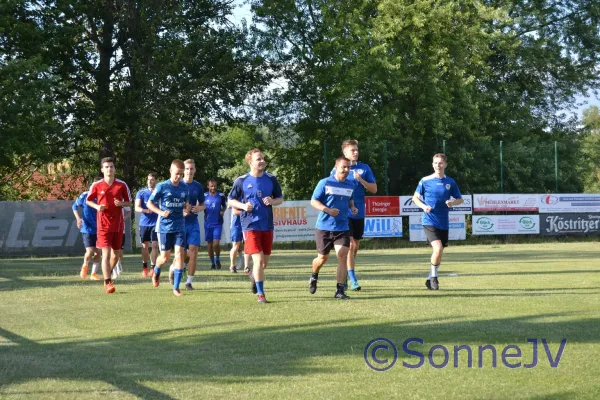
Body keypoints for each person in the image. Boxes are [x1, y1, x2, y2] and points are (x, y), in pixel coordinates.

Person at [228, 149, 283, 304]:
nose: (262, 161)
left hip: (267, 225)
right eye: (258, 159)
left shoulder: (271, 179)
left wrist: (273, 201)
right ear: (250, 162)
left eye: (263, 159)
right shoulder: (241, 180)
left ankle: (254, 276)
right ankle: (261, 294)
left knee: (264, 263)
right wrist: (244, 206)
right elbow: (230, 200)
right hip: (250, 225)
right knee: (258, 260)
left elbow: (280, 198)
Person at [412, 153, 463, 290]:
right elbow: (415, 198)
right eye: (435, 163)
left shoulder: (450, 182)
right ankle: (434, 278)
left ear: (445, 164)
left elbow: (460, 199)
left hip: (443, 222)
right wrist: (424, 206)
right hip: (429, 220)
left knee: (439, 252)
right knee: (438, 248)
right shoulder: (425, 180)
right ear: (432, 164)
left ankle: (429, 279)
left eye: (440, 163)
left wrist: (453, 202)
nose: (437, 165)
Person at [310, 157, 358, 300]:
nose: (346, 170)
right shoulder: (325, 182)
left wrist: (353, 207)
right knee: (322, 258)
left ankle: (339, 290)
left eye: (348, 167)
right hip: (324, 227)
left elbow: (350, 200)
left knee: (342, 256)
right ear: (336, 167)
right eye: (344, 167)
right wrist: (327, 210)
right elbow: (313, 201)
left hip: (342, 226)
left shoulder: (350, 185)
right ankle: (314, 276)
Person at [332, 139, 376, 291]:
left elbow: (374, 189)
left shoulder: (364, 168)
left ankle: (346, 273)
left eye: (357, 150)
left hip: (359, 213)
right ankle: (351, 278)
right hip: (344, 214)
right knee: (349, 245)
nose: (356, 152)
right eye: (352, 150)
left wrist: (361, 180)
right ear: (344, 153)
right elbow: (331, 186)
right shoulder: (338, 169)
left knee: (355, 246)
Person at [86, 157, 132, 294]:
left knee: (116, 255)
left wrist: (122, 204)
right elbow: (88, 201)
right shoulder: (96, 185)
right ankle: (108, 282)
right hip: (103, 225)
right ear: (102, 170)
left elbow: (129, 201)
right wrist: (97, 206)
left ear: (114, 169)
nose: (109, 169)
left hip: (118, 225)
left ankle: (108, 274)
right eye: (106, 167)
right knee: (105, 254)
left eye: (111, 167)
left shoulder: (122, 185)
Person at [146, 159, 190, 296]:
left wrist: (186, 209)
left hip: (179, 226)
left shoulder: (184, 187)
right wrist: (160, 212)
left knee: (179, 255)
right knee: (165, 257)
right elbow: (149, 203)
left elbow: (187, 203)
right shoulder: (162, 186)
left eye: (181, 174)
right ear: (170, 171)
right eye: (177, 173)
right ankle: (157, 270)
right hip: (165, 227)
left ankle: (176, 288)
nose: (179, 177)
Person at [173, 159, 205, 290]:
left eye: (192, 169)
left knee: (193, 252)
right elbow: (170, 206)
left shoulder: (198, 186)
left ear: (195, 170)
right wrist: (181, 211)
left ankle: (189, 282)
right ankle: (174, 267)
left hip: (193, 224)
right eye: (187, 169)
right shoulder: (176, 185)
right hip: (179, 224)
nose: (189, 171)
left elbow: (203, 204)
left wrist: (199, 208)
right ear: (183, 170)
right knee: (181, 254)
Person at [72, 176, 102, 280]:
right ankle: (85, 265)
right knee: (89, 252)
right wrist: (78, 218)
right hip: (87, 228)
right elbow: (74, 206)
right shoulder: (85, 195)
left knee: (98, 252)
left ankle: (93, 274)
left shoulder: (103, 196)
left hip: (100, 228)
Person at [135, 172, 159, 278]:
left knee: (155, 245)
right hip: (144, 223)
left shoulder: (159, 192)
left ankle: (153, 268)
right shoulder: (141, 192)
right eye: (148, 179)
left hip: (156, 223)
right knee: (145, 246)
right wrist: (145, 210)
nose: (149, 181)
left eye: (152, 179)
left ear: (156, 181)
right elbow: (136, 207)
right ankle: (145, 267)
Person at [204, 179, 227, 269]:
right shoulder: (204, 196)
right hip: (208, 223)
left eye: (214, 186)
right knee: (209, 246)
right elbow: (200, 204)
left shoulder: (221, 196)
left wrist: (223, 211)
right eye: (211, 186)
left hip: (218, 223)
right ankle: (213, 264)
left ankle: (217, 259)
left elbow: (225, 205)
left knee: (216, 244)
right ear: (208, 186)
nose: (213, 188)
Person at [228, 206, 246, 273]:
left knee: (248, 246)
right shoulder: (236, 196)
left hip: (247, 224)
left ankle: (246, 266)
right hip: (236, 225)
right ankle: (232, 265)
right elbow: (235, 211)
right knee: (235, 245)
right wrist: (248, 211)